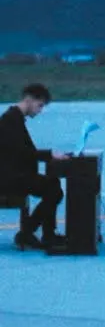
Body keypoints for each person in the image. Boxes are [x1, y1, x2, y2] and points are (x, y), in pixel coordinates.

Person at [0, 83, 69, 250]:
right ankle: (28, 233)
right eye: (40, 105)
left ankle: (42, 234)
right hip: (9, 178)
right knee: (53, 189)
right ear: (29, 99)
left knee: (53, 186)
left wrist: (48, 155)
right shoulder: (10, 120)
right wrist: (49, 155)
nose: (40, 110)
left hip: (13, 174)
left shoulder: (14, 118)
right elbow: (22, 152)